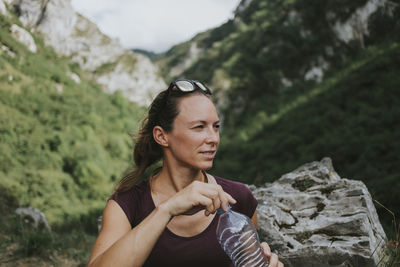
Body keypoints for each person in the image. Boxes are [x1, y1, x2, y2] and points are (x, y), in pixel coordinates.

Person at [88, 79, 283, 267]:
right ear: (162, 136)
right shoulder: (126, 205)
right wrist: (167, 209)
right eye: (199, 127)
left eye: (216, 127)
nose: (213, 138)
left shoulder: (239, 199)